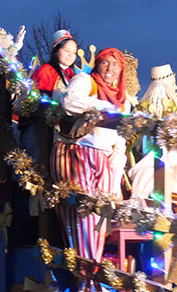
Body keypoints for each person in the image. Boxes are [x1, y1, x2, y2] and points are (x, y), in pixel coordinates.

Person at [51, 47, 133, 263]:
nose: (110, 68)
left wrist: (116, 179)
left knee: (100, 216)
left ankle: (91, 276)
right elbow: (69, 102)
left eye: (115, 64)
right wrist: (102, 106)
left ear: (121, 69)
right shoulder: (86, 81)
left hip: (104, 158)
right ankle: (88, 280)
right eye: (105, 62)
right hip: (75, 151)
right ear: (97, 64)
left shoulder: (125, 100)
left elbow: (121, 141)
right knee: (82, 215)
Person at [31, 30, 77, 97]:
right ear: (56, 50)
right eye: (66, 50)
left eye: (74, 52)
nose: (71, 55)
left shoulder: (70, 73)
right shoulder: (45, 71)